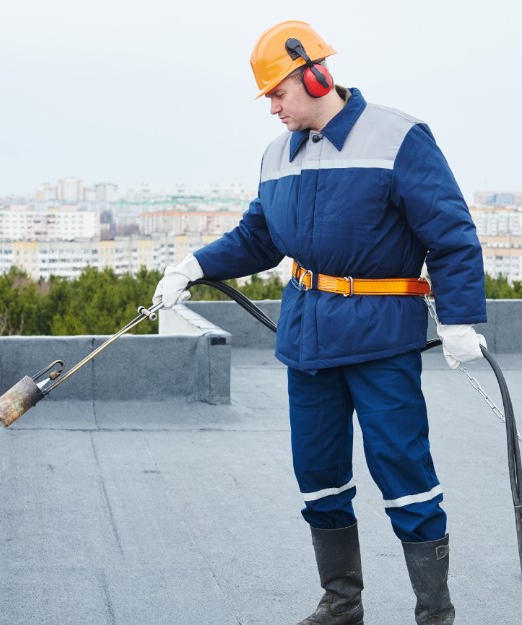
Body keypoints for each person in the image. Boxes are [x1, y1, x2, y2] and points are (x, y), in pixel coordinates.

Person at [152, 20, 487, 625]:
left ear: (315, 74)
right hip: (308, 340)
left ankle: (434, 613)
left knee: (404, 472)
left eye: (278, 93)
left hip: (381, 339)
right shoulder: (277, 154)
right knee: (318, 475)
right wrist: (194, 265)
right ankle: (341, 604)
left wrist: (461, 318)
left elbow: (452, 234)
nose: (272, 108)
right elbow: (260, 236)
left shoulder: (399, 137)